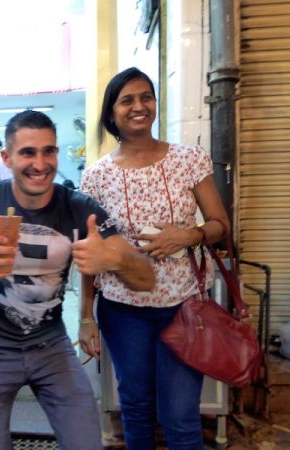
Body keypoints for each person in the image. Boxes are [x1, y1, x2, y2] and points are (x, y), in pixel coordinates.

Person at [0, 110, 155, 450]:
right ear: (7, 157)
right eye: (28, 152)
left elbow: (147, 278)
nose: (40, 163)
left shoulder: (79, 207)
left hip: (51, 347)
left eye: (49, 151)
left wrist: (115, 259)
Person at [80, 67, 230, 450]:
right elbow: (90, 252)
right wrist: (86, 316)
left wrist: (189, 234)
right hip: (122, 309)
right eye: (126, 99)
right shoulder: (96, 177)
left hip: (184, 307)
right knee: (135, 408)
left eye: (146, 96)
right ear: (111, 112)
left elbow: (220, 225)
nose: (138, 106)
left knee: (180, 416)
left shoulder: (189, 159)